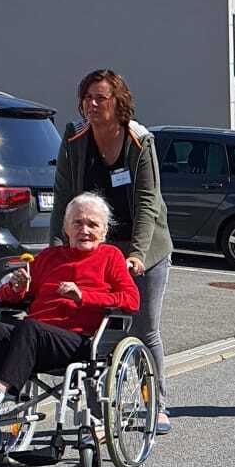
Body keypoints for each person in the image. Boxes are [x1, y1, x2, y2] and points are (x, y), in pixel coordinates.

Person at [0, 193, 139, 451]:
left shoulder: (110, 256)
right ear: (66, 228)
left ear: (104, 231)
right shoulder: (49, 257)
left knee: (29, 327)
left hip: (77, 341)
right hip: (31, 341)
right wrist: (18, 288)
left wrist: (83, 296)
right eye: (78, 223)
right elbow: (5, 297)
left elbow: (131, 300)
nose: (85, 230)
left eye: (93, 224)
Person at [51, 68, 174, 433]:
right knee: (93, 329)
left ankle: (156, 405)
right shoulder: (74, 138)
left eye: (100, 98)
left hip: (144, 246)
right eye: (87, 98)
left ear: (118, 103)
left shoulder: (139, 140)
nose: (92, 105)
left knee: (143, 327)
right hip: (96, 245)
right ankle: (96, 412)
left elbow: (148, 202)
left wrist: (137, 254)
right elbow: (63, 198)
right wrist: (57, 248)